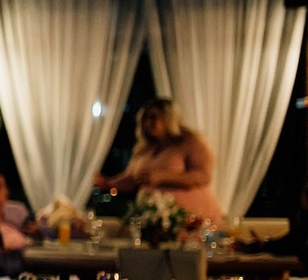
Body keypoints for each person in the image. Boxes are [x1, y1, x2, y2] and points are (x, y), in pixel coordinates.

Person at [95, 97, 223, 226]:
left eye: (153, 117)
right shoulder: (144, 148)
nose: (148, 123)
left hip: (189, 217)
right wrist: (108, 184)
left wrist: (163, 177)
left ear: (168, 118)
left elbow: (203, 176)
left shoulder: (191, 142)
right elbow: (132, 179)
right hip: (153, 218)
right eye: (145, 118)